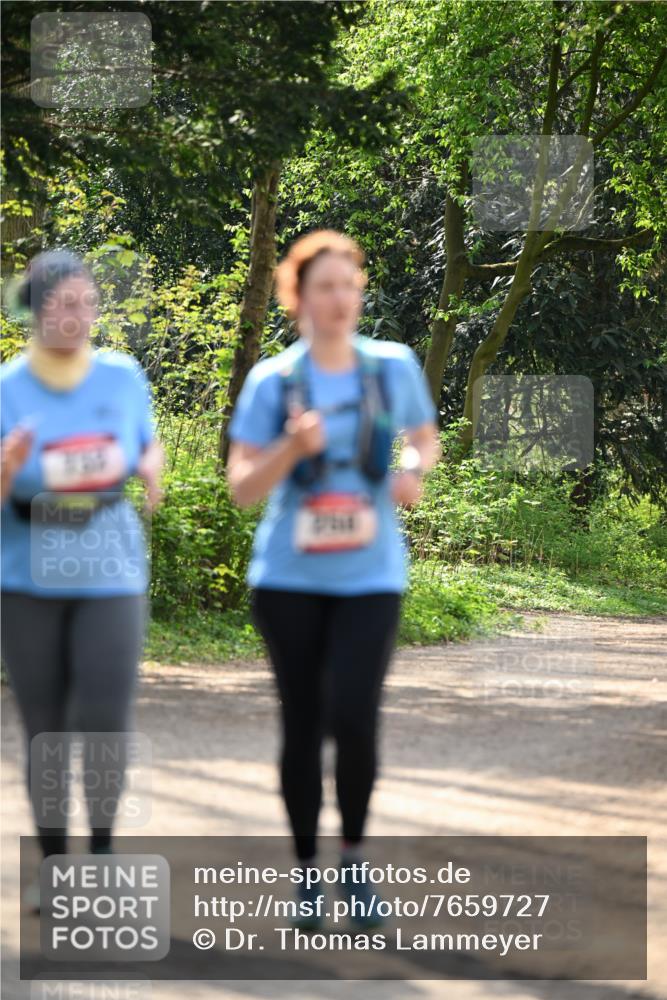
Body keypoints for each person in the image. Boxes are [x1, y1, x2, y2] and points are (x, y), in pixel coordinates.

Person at [225, 230, 440, 929]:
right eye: (325, 286)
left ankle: (351, 860)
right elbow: (241, 489)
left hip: (371, 575)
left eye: (349, 284)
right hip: (287, 577)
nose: (340, 298)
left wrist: (411, 469)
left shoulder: (393, 365)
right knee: (303, 722)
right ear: (299, 298)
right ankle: (306, 876)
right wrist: (295, 444)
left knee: (353, 716)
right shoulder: (272, 381)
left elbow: (422, 436)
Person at [0, 249, 164, 910]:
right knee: (44, 726)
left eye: (86, 303)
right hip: (25, 569)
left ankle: (99, 851)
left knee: (103, 716)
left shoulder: (124, 376)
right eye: (63, 303)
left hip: (110, 567)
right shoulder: (8, 385)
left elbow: (143, 440)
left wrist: (151, 466)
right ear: (36, 307)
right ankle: (53, 863)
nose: (76, 315)